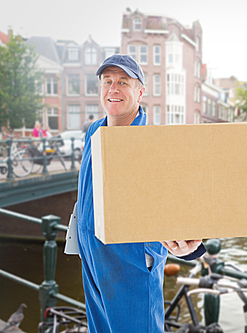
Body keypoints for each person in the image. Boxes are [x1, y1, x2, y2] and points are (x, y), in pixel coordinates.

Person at [74, 54, 206, 333]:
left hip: (130, 262)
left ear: (140, 92)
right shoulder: (94, 132)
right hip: (92, 257)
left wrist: (190, 245)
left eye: (124, 82)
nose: (113, 89)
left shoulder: (154, 143)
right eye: (107, 81)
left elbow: (183, 201)